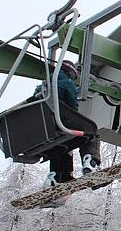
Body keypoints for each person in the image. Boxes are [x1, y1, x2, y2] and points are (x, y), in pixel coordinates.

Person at [42, 59, 101, 189]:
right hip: (60, 123)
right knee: (91, 131)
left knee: (61, 146)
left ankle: (57, 176)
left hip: (45, 132)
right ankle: (90, 162)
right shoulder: (67, 84)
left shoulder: (42, 87)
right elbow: (73, 109)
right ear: (70, 73)